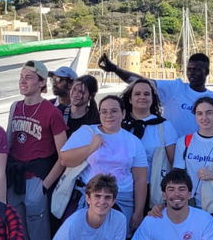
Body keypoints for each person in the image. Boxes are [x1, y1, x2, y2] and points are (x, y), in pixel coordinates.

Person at [8, 60, 69, 240]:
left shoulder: (50, 112)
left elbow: (64, 154)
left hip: (38, 178)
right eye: (22, 76)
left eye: (30, 77)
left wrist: (45, 185)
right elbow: (9, 143)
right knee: (18, 239)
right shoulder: (15, 107)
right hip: (16, 179)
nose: (24, 81)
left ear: (42, 83)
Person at [59, 95, 147, 229]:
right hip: (89, 196)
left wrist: (138, 212)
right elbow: (64, 159)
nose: (109, 115)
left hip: (121, 199)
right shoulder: (86, 132)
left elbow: (140, 180)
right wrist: (91, 147)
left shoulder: (134, 142)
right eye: (104, 111)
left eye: (114, 111)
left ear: (123, 113)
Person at [100, 52, 213, 137]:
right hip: (172, 148)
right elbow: (142, 82)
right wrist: (115, 70)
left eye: (197, 70)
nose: (192, 73)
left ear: (207, 72)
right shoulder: (175, 88)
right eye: (189, 69)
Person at [172, 96, 213, 212]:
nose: (204, 118)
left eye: (209, 113)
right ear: (195, 116)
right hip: (189, 205)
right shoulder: (184, 141)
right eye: (199, 114)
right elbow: (177, 176)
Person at [120, 77, 176, 193]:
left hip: (153, 189)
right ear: (130, 99)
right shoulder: (119, 123)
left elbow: (174, 162)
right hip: (122, 187)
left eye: (146, 94)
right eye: (137, 94)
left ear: (152, 98)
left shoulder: (164, 126)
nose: (142, 97)